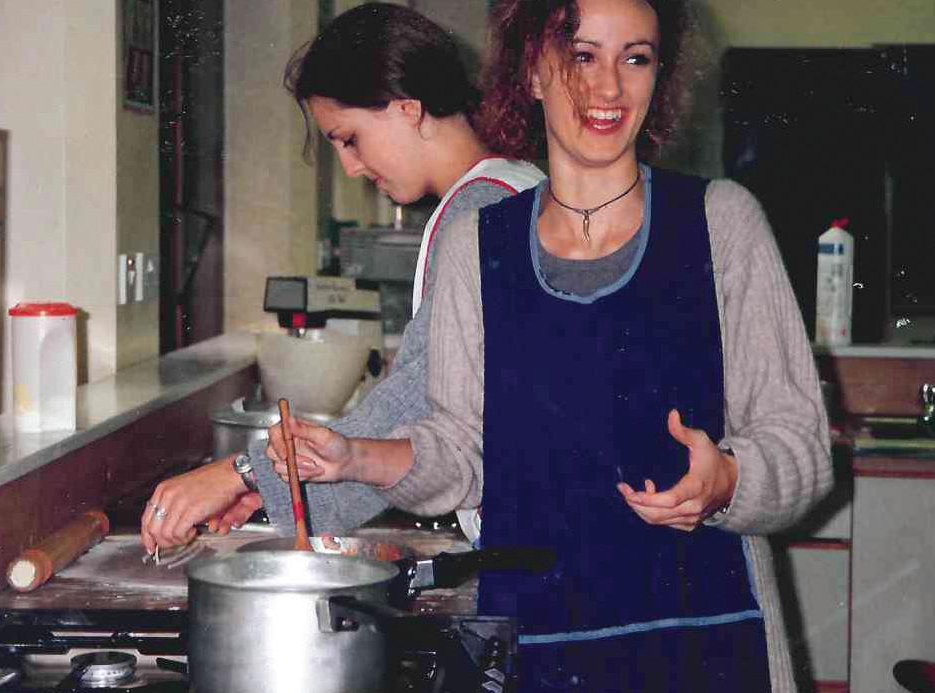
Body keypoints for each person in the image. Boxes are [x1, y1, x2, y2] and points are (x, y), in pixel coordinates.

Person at [270, 0, 833, 690]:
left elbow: (802, 447)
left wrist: (730, 482)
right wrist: (356, 457)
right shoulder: (478, 246)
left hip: (705, 647)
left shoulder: (722, 224)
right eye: (582, 55)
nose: (609, 87)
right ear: (532, 70)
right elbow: (460, 453)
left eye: (636, 58)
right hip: (542, 649)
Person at [139, 2, 543, 554]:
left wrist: (244, 474)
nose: (351, 168)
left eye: (349, 138)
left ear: (407, 109)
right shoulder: (514, 184)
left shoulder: (483, 210)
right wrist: (275, 491)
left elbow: (418, 401)